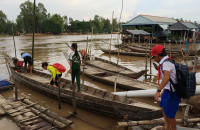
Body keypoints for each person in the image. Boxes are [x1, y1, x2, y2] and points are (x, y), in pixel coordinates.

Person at [151, 45, 180, 130]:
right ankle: (167, 126)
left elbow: (166, 78)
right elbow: (168, 78)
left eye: (154, 57)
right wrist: (164, 89)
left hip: (172, 92)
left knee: (170, 114)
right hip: (168, 90)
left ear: (158, 56)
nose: (154, 59)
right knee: (163, 107)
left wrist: (158, 91)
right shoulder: (166, 62)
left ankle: (173, 129)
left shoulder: (166, 63)